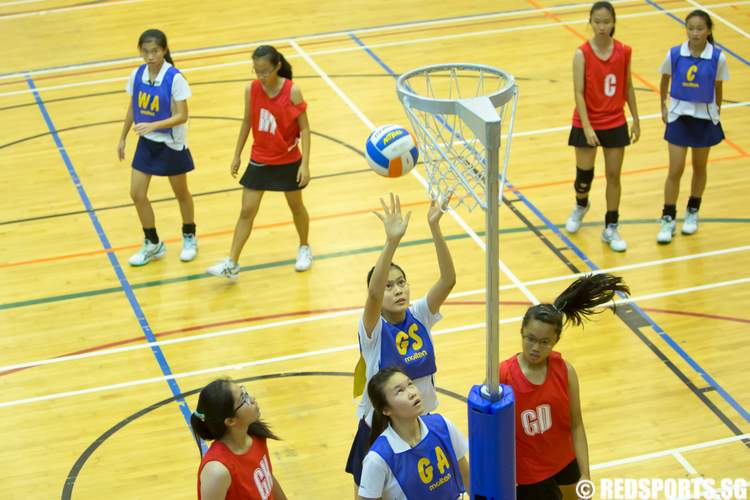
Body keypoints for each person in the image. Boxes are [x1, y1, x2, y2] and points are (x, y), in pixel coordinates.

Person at [345, 193, 456, 494]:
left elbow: (448, 280)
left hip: (418, 421)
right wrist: (392, 240)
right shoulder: (373, 328)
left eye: (402, 282)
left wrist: (435, 227)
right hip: (380, 426)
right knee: (367, 490)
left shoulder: (419, 313)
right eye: (389, 285)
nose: (398, 290)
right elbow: (372, 295)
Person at [500, 273, 630, 500]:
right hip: (528, 472)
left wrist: (586, 474)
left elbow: (577, 425)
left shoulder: (566, 372)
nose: (535, 347)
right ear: (521, 331)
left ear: (556, 340)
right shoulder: (503, 375)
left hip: (564, 460)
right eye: (530, 338)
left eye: (544, 342)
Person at [207, 45, 312, 280]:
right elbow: (247, 122)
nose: (261, 77)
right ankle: (232, 262)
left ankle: (304, 247)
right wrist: (237, 155)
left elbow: (304, 129)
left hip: (288, 158)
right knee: (246, 210)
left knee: (296, 206)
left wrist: (305, 164)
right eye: (256, 71)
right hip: (260, 157)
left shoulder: (292, 91)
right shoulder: (252, 89)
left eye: (264, 71)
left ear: (276, 66)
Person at [117, 28, 198, 266]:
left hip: (171, 144)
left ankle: (189, 236)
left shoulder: (175, 78)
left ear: (164, 50)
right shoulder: (137, 74)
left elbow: (182, 115)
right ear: (140, 52)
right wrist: (122, 137)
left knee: (181, 193)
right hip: (147, 142)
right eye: (146, 51)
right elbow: (133, 107)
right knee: (137, 194)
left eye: (155, 51)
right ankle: (152, 243)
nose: (150, 56)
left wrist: (153, 125)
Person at [565, 1, 640, 252]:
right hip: (587, 120)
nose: (602, 26)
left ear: (614, 22)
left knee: (613, 175)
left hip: (615, 120)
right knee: (583, 177)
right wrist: (587, 126)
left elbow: (628, 86)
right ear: (590, 22)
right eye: (597, 21)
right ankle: (581, 204)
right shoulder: (581, 53)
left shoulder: (624, 51)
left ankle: (611, 226)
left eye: (606, 21)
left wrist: (636, 120)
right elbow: (578, 92)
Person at [656, 10, 728, 244]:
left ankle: (692, 212)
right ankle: (668, 218)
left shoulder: (718, 57)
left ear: (708, 30)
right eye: (690, 28)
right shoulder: (675, 53)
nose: (695, 33)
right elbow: (665, 78)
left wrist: (717, 112)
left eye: (699, 28)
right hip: (679, 117)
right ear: (685, 28)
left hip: (704, 118)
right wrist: (663, 107)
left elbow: (718, 87)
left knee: (699, 167)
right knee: (675, 170)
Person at [358, 367, 470, 500]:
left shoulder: (442, 425)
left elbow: (468, 477)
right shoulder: (377, 459)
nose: (411, 393)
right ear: (386, 409)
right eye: (400, 391)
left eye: (410, 384)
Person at [191, 379, 287, 500]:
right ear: (230, 421)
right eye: (243, 399)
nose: (252, 399)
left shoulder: (255, 434)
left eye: (245, 391)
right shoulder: (218, 471)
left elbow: (267, 480)